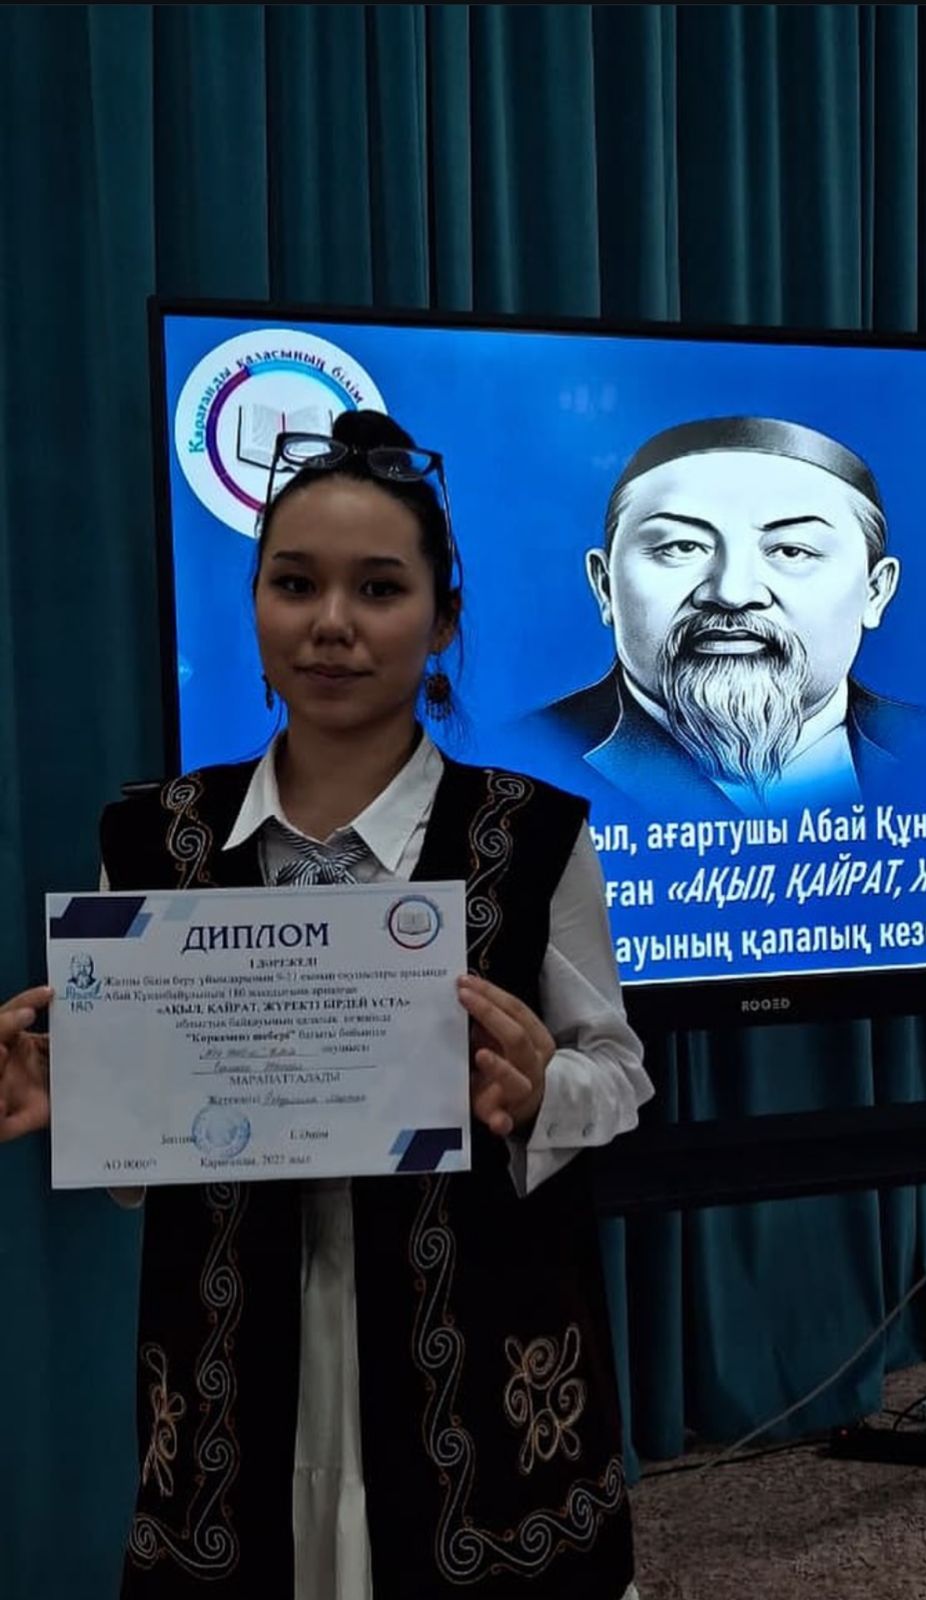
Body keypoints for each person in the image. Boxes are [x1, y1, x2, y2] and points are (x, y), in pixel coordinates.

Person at [0, 410, 652, 1600]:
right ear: (255, 605)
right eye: (295, 584)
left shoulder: (530, 835)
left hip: (478, 1352)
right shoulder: (153, 841)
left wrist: (539, 1090)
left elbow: (617, 1071)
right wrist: (76, 1091)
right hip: (232, 1357)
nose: (333, 623)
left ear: (442, 619)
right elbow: (141, 1150)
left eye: (380, 588)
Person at [516, 416, 922, 818]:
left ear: (875, 591)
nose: (732, 593)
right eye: (681, 547)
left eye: (792, 550)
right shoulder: (527, 756)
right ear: (605, 586)